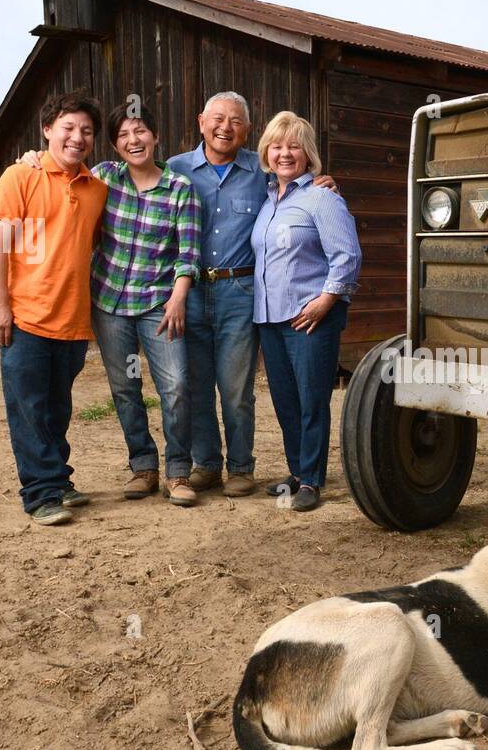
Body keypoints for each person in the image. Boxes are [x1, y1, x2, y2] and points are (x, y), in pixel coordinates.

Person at [166, 92, 336, 498]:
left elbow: (296, 191)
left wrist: (323, 182)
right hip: (189, 290)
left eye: (236, 120)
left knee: (237, 387)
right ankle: (206, 463)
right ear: (200, 121)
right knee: (195, 384)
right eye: (218, 119)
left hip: (239, 291)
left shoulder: (260, 175)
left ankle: (240, 467)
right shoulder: (174, 170)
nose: (226, 127)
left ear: (247, 129)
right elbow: (128, 175)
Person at [0, 91, 108, 525]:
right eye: (68, 128)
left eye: (87, 131)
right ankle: (40, 494)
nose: (77, 137)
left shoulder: (97, 190)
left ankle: (58, 478)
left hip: (73, 320)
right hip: (25, 317)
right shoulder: (20, 177)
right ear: (47, 131)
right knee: (29, 409)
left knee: (58, 409)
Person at [88, 101, 202, 505]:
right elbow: (60, 182)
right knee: (125, 388)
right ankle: (143, 467)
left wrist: (178, 298)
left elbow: (188, 253)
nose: (132, 140)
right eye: (123, 135)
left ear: (154, 137)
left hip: (158, 303)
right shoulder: (103, 178)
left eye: (139, 132)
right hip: (109, 304)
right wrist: (32, 159)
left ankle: (178, 473)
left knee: (175, 385)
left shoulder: (179, 189)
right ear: (116, 146)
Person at [251, 111, 362, 511]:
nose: (284, 153)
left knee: (312, 399)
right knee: (284, 400)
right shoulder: (267, 202)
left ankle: (312, 481)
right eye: (277, 146)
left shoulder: (322, 197)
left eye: (294, 146)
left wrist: (325, 301)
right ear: (266, 152)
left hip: (312, 316)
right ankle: (297, 471)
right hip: (269, 318)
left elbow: (346, 256)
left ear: (308, 153)